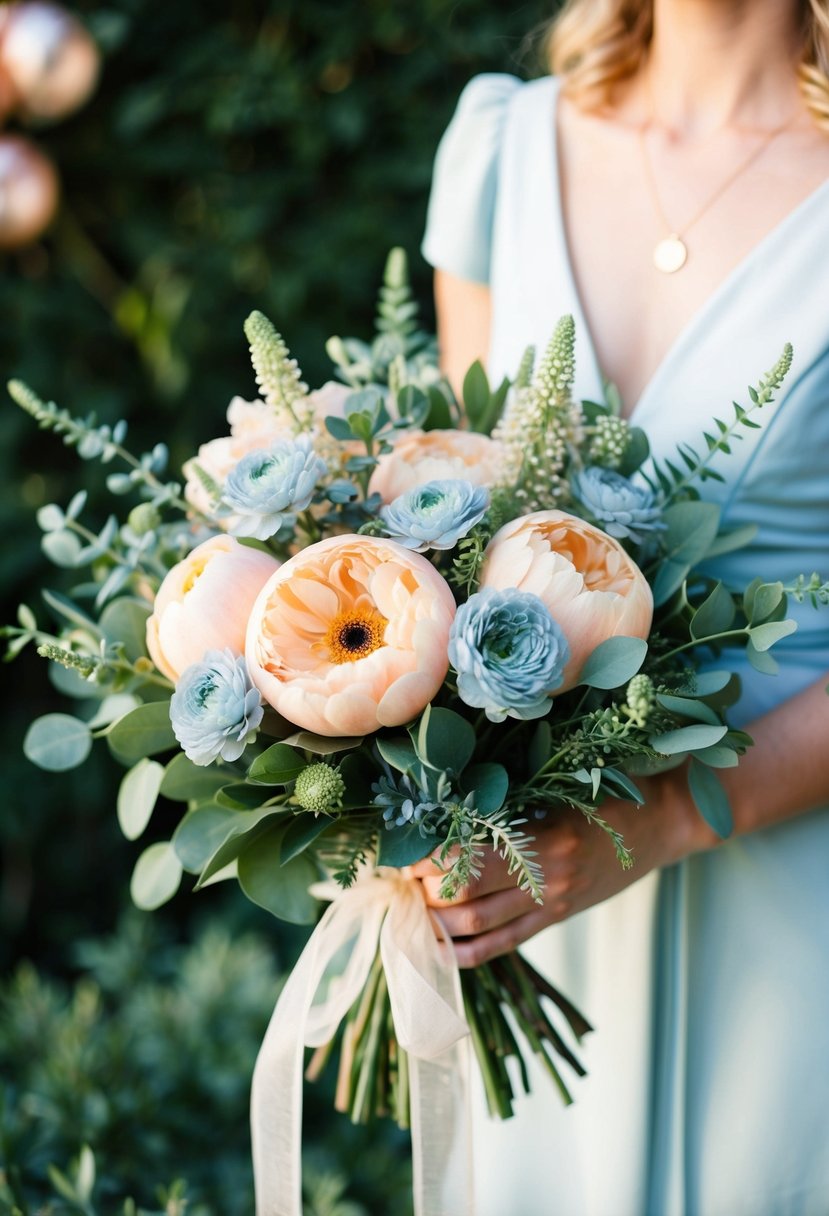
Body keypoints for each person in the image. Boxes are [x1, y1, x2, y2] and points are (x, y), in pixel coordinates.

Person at [415, 1, 829, 1213]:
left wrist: (656, 825)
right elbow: (456, 538)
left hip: (792, 870)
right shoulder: (502, 147)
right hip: (537, 887)